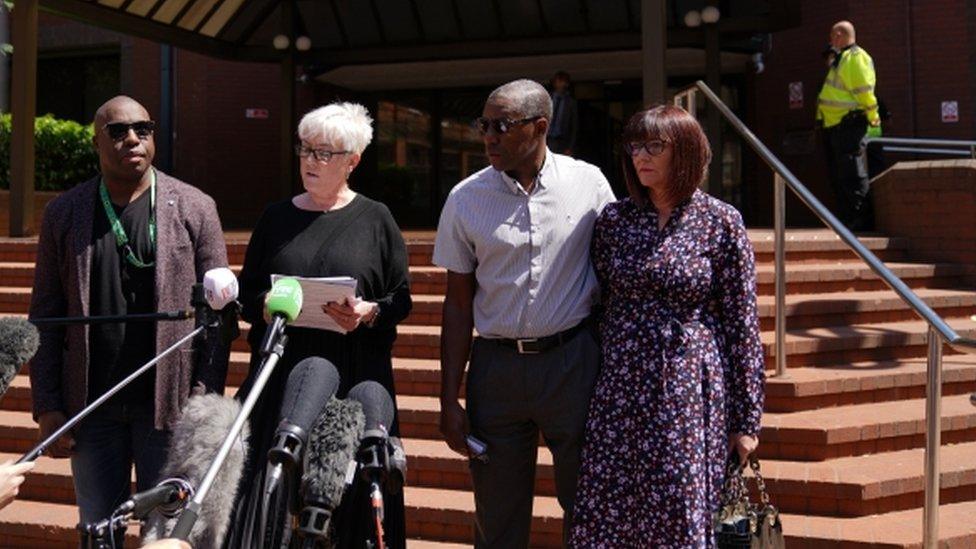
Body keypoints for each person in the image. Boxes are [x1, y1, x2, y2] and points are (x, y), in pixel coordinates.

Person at [28, 96, 229, 535]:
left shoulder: (196, 207)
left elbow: (220, 318)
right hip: (92, 407)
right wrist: (47, 405)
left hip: (171, 408)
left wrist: (204, 398)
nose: (133, 138)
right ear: (97, 142)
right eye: (118, 131)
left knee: (170, 534)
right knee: (98, 530)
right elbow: (44, 315)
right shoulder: (64, 213)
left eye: (144, 128)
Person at [569, 105, 765, 547]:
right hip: (619, 388)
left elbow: (742, 324)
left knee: (679, 504)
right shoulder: (614, 221)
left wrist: (747, 418)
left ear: (688, 152)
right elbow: (600, 301)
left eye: (655, 145)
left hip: (687, 388)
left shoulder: (720, 222)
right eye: (635, 145)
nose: (641, 155)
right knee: (611, 510)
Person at [435, 79, 615, 547]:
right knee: (498, 518)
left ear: (540, 127)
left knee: (590, 507)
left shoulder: (589, 184)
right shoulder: (465, 198)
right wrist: (447, 398)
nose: (488, 137)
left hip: (572, 365)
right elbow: (457, 304)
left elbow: (617, 272)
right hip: (496, 373)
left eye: (502, 125)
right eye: (484, 125)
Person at [231, 102, 411, 548]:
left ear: (353, 161)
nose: (311, 161)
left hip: (354, 377)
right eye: (306, 149)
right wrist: (267, 303)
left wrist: (368, 312)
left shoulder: (377, 219)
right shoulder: (275, 217)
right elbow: (247, 293)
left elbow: (399, 299)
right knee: (270, 502)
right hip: (283, 377)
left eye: (325, 153)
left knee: (348, 510)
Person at [817, 20, 882, 231]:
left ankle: (860, 219)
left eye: (831, 35)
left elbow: (864, 90)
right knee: (843, 175)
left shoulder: (855, 58)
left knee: (852, 174)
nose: (830, 40)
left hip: (849, 124)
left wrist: (873, 116)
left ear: (838, 35)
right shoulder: (843, 59)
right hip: (837, 125)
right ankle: (849, 219)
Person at [547, 71, 579, 156]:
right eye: (558, 81)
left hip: (562, 141)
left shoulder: (570, 102)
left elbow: (574, 126)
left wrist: (570, 147)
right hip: (547, 139)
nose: (560, 84)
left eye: (562, 81)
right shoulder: (547, 98)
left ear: (566, 84)